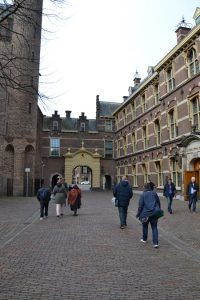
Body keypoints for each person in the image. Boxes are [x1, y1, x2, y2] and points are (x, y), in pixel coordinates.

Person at [136, 183, 161, 248]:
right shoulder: (154, 193)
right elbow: (158, 202)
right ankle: (155, 243)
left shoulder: (143, 195)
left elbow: (140, 206)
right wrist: (159, 210)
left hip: (146, 214)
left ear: (144, 188)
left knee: (145, 226)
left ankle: (144, 239)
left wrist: (138, 214)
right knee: (154, 227)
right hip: (154, 213)